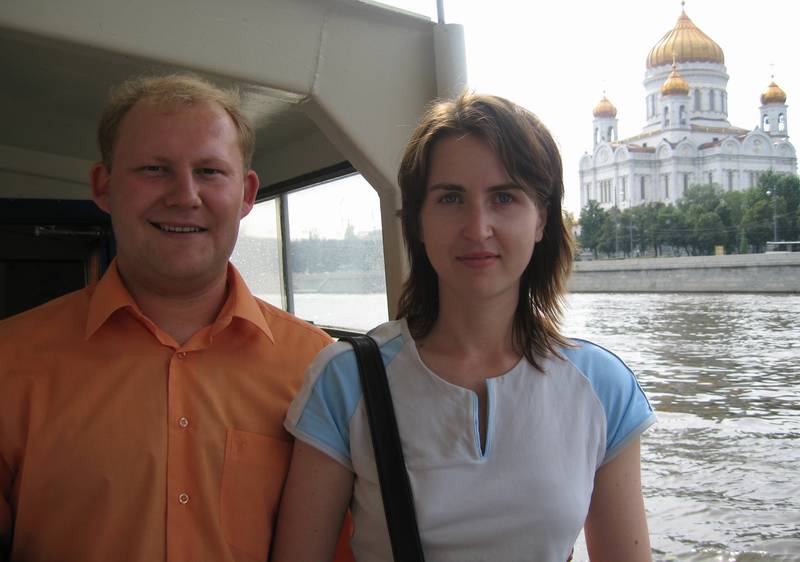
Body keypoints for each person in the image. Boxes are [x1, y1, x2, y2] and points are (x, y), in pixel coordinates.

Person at [273, 93, 656, 562]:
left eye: (504, 197)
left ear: (541, 219)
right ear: (419, 221)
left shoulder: (603, 387)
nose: (477, 227)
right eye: (451, 198)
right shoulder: (345, 381)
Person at [0, 74, 352, 562]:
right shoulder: (11, 360)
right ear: (103, 187)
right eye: (154, 169)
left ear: (247, 193)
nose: (185, 195)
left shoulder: (317, 368)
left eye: (209, 171)